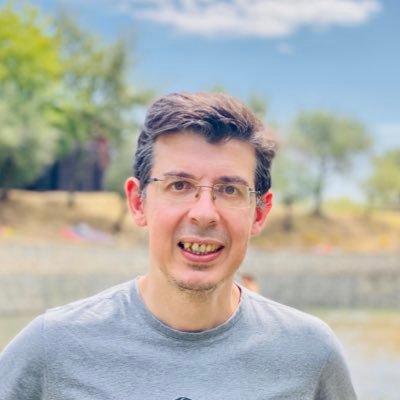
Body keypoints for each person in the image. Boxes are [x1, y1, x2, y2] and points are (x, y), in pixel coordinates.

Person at [0, 92, 356, 399]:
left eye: (229, 190)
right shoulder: (52, 347)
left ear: (259, 213)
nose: (204, 214)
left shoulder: (311, 354)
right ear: (138, 202)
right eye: (179, 186)